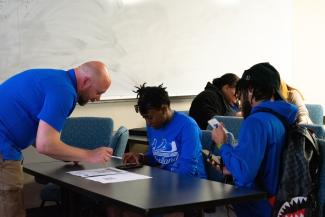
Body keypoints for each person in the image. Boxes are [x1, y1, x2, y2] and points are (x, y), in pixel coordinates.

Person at [0, 61, 114, 217]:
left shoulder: (54, 79)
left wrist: (66, 154)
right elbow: (45, 144)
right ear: (86, 81)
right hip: (3, 147)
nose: (98, 98)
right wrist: (90, 155)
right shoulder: (64, 92)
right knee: (10, 211)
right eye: (98, 92)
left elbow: (39, 137)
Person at [211, 63, 298, 217]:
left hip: (256, 206)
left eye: (242, 92)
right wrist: (229, 165)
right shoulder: (281, 119)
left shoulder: (255, 122)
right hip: (278, 203)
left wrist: (222, 143)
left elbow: (244, 175)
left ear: (250, 90)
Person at [109, 83, 206, 217]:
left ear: (164, 108)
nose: (148, 123)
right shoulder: (153, 125)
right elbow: (159, 155)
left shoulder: (188, 126)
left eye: (150, 117)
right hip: (163, 185)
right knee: (115, 207)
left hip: (189, 188)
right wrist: (141, 157)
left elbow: (187, 169)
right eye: (145, 118)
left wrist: (160, 188)